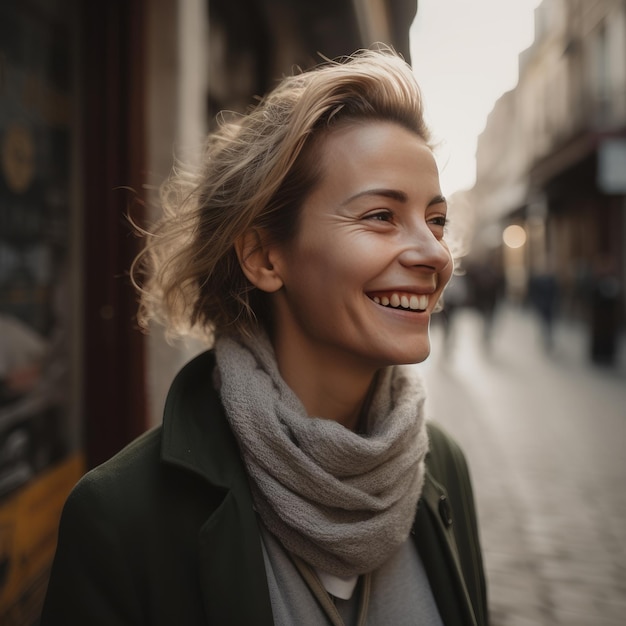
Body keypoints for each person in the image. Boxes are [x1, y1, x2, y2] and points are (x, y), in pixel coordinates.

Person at [41, 47, 488, 625]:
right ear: (263, 257)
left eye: (436, 220)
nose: (434, 254)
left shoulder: (442, 468)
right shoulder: (123, 518)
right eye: (380, 215)